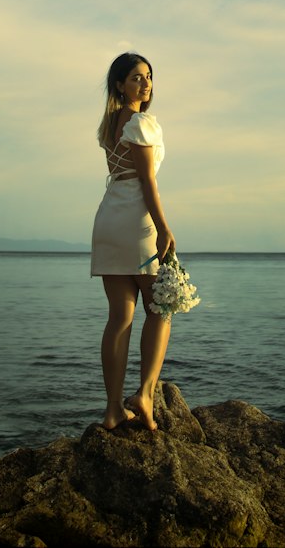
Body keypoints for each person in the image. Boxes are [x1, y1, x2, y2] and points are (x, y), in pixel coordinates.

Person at [90, 51, 175, 431]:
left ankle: (112, 410)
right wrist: (163, 227)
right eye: (137, 77)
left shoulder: (111, 124)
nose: (146, 83)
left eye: (149, 76)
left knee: (120, 316)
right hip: (137, 220)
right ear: (120, 85)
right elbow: (146, 181)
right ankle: (144, 395)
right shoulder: (141, 122)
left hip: (110, 217)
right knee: (161, 307)